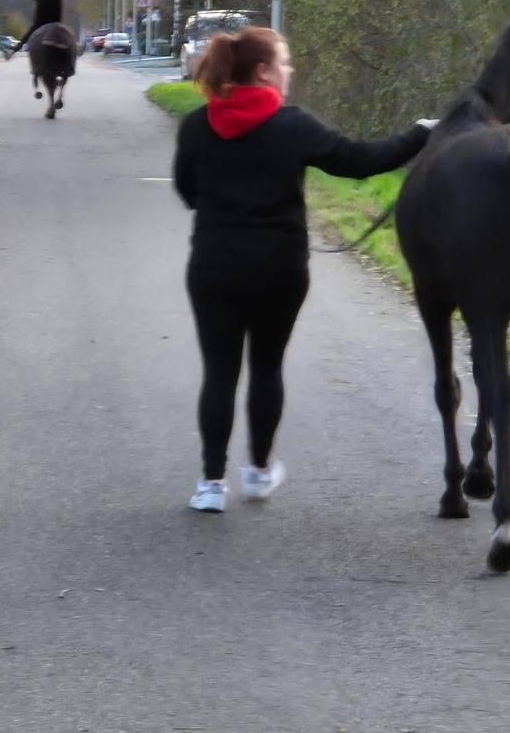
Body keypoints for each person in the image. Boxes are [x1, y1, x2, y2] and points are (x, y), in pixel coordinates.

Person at [173, 26, 437, 513]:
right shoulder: (293, 126)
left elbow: (187, 191)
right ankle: (256, 472)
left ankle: (211, 484)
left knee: (220, 373)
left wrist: (222, 210)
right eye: (284, 62)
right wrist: (419, 134)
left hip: (214, 265)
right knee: (267, 367)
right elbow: (359, 161)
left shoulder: (196, 126)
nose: (289, 71)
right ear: (263, 72)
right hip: (280, 268)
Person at [4, 0, 75, 59]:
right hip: (56, 23)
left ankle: (13, 51)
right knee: (69, 36)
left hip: (40, 23)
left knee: (27, 36)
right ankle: (74, 53)